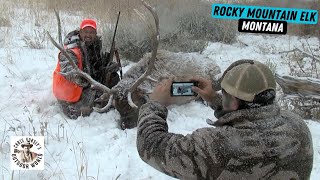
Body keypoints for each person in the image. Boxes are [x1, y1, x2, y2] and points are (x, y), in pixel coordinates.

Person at [136, 59, 313, 179]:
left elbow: (152, 145)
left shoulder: (218, 145)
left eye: (225, 94)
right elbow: (250, 113)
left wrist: (155, 104)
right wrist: (215, 99)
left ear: (234, 102)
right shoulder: (298, 126)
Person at [52, 18, 120, 119]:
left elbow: (97, 66)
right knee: (86, 110)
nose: (88, 35)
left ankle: (107, 100)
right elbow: (69, 72)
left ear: (95, 33)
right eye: (86, 32)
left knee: (113, 77)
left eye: (91, 32)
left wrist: (110, 66)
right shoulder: (71, 50)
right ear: (80, 32)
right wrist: (88, 82)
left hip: (85, 86)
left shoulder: (93, 46)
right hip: (70, 94)